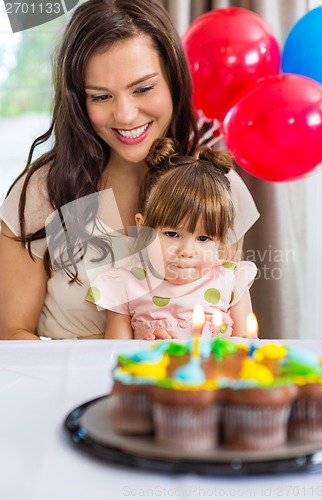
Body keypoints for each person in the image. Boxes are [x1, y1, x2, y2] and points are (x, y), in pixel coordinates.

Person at [0, 0, 259, 340]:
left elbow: (230, 311)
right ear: (79, 102)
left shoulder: (216, 187)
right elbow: (11, 333)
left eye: (143, 88)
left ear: (174, 81)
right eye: (101, 97)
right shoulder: (41, 192)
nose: (124, 115)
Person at [88, 137, 257, 340]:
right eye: (172, 234)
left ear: (220, 240)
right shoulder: (126, 285)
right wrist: (147, 349)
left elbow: (248, 351)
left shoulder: (231, 281)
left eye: (203, 238)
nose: (186, 251)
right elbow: (115, 354)